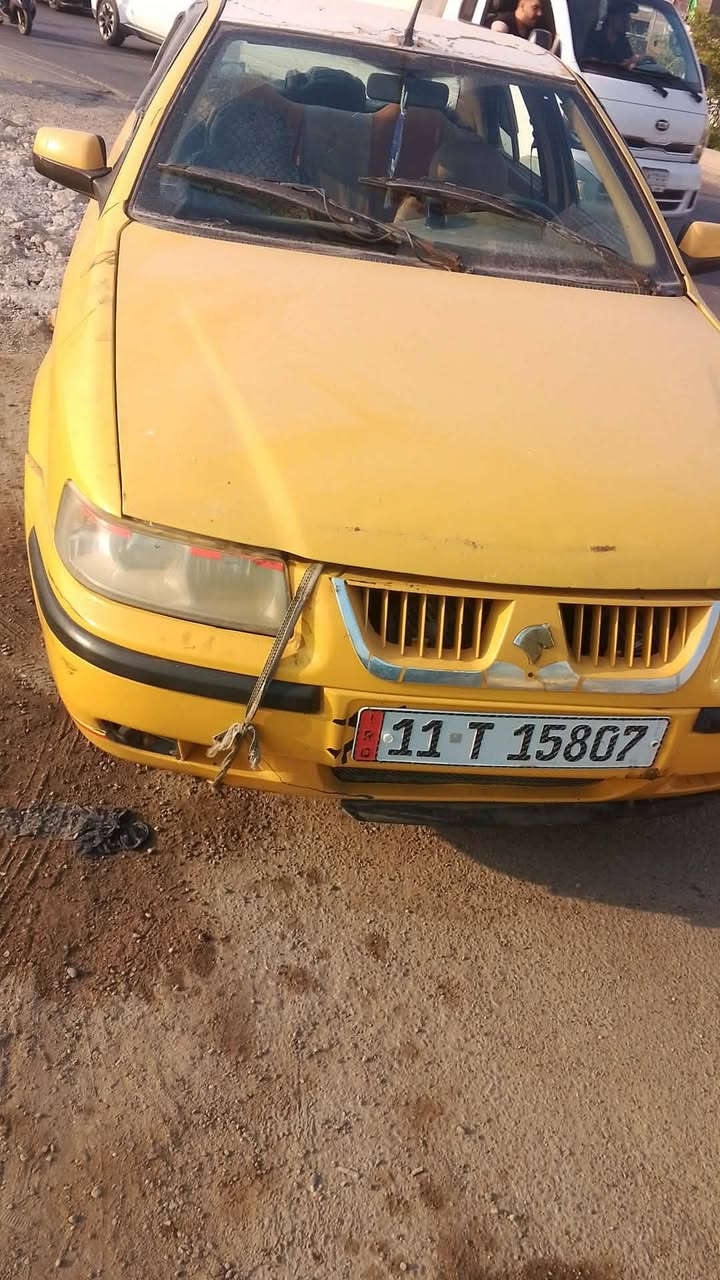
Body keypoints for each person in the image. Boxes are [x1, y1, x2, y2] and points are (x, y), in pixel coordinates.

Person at [394, 136, 508, 223]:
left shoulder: (497, 232)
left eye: (441, 192)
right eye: (427, 184)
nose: (426, 195)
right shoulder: (415, 210)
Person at [585, 2, 640, 69]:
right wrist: (624, 64)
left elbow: (630, 60)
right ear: (611, 18)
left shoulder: (623, 42)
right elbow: (592, 65)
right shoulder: (593, 38)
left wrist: (634, 62)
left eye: (628, 18)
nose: (626, 22)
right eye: (623, 17)